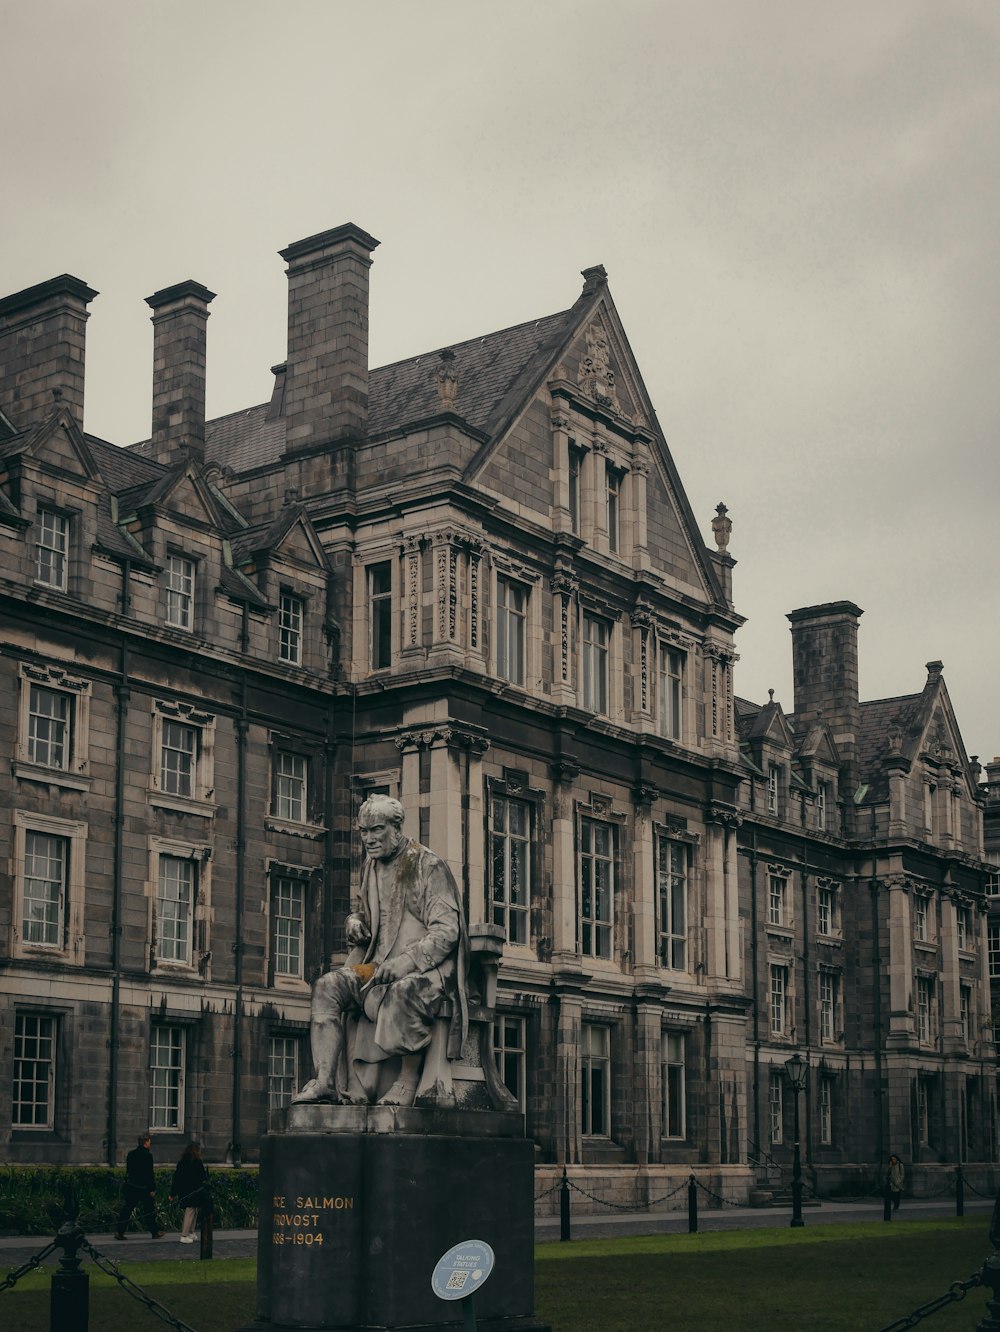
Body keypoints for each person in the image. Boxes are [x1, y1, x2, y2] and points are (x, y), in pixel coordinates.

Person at [293, 794, 468, 1108]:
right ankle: (324, 1082)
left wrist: (406, 962)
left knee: (402, 992)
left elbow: (447, 931)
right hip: (375, 967)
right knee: (326, 987)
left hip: (425, 972)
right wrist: (355, 921)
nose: (369, 839)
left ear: (396, 827)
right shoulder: (371, 864)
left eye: (376, 830)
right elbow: (366, 912)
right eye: (364, 832)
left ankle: (407, 1080)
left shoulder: (427, 864)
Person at [115, 1133, 165, 1239]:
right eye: (149, 1142)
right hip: (144, 1188)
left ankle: (120, 1232)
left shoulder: (131, 1154)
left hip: (132, 1186)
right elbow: (149, 1173)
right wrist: (152, 1188)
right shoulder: (147, 1155)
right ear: (146, 1143)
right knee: (149, 1211)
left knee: (127, 1210)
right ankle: (154, 1232)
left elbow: (129, 1171)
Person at [169, 1141, 209, 1243]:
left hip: (185, 1190)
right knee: (190, 1211)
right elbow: (202, 1177)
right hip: (194, 1191)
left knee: (193, 1210)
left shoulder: (182, 1162)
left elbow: (176, 1179)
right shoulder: (197, 1162)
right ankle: (184, 1234)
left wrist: (172, 1193)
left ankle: (191, 1232)